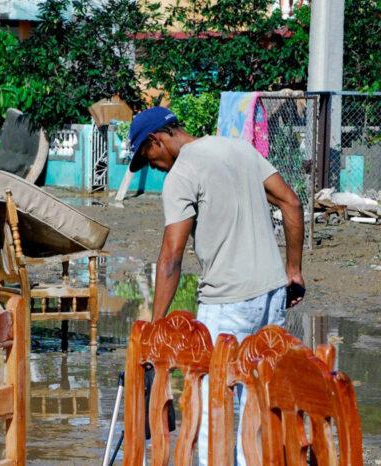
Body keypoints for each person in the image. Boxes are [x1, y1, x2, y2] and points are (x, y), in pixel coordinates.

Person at [127, 106, 305, 466]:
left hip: (228, 304)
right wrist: (293, 270)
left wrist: (156, 328)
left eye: (147, 158)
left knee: (213, 409)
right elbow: (292, 202)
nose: (153, 167)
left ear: (156, 140)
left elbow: (171, 257)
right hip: (272, 296)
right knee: (260, 398)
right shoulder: (238, 149)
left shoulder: (182, 173)